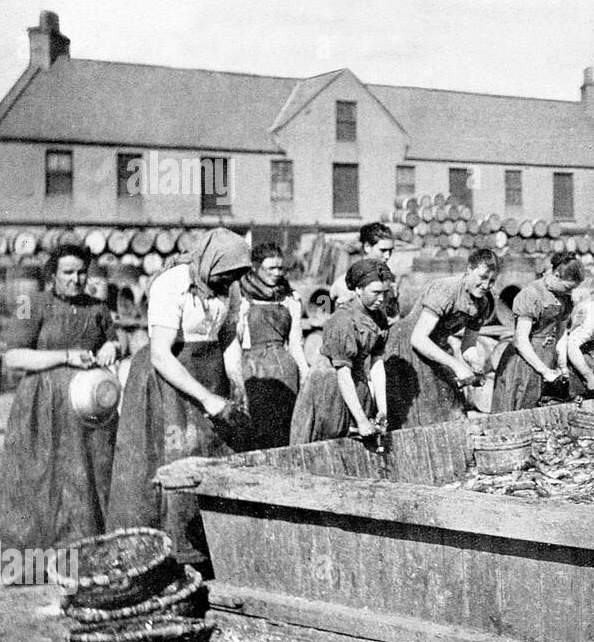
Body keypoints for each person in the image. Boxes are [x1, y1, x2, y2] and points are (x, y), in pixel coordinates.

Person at [107, 228, 252, 568]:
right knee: (169, 458)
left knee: (210, 455)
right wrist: (207, 399)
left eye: (234, 275)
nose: (229, 281)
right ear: (209, 262)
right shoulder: (171, 284)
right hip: (167, 381)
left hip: (208, 373)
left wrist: (235, 382)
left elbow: (228, 336)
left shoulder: (228, 287)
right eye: (225, 273)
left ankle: (204, 554)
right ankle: (160, 557)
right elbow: (161, 355)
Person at [0, 244, 121, 559]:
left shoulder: (98, 308)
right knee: (38, 476)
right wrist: (65, 356)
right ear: (52, 275)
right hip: (41, 405)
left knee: (90, 476)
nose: (76, 279)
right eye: (68, 272)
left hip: (89, 409)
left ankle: (84, 553)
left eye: (81, 272)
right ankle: (29, 560)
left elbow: (113, 340)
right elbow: (13, 356)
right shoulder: (31, 303)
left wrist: (112, 348)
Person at [384, 249, 498, 428]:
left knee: (451, 405)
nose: (486, 285)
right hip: (406, 345)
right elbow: (418, 339)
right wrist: (456, 365)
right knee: (417, 413)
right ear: (468, 270)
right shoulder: (446, 291)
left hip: (436, 346)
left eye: (492, 281)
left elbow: (468, 344)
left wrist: (475, 364)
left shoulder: (482, 303)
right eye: (482, 277)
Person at [289, 260, 391, 445]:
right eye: (376, 293)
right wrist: (360, 420)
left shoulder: (378, 318)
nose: (382, 299)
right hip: (330, 388)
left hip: (356, 385)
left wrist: (382, 411)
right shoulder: (343, 321)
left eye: (385, 292)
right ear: (358, 290)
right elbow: (342, 374)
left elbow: (377, 365)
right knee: (329, 442)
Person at [237, 243, 308, 449]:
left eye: (280, 268)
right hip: (253, 368)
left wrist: (305, 372)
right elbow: (237, 339)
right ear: (256, 268)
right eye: (271, 269)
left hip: (284, 369)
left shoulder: (290, 298)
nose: (277, 273)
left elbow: (295, 343)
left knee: (284, 431)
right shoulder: (242, 296)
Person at [491, 255, 582, 411]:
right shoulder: (530, 295)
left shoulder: (564, 299)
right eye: (567, 287)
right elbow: (521, 340)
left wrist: (562, 365)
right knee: (519, 408)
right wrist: (544, 371)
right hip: (525, 361)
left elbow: (561, 334)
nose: (570, 292)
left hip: (548, 357)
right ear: (556, 276)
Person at [336, 223, 400, 320]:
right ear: (367, 247)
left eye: (390, 251)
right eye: (383, 250)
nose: (387, 256)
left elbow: (394, 312)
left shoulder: (390, 278)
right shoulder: (348, 282)